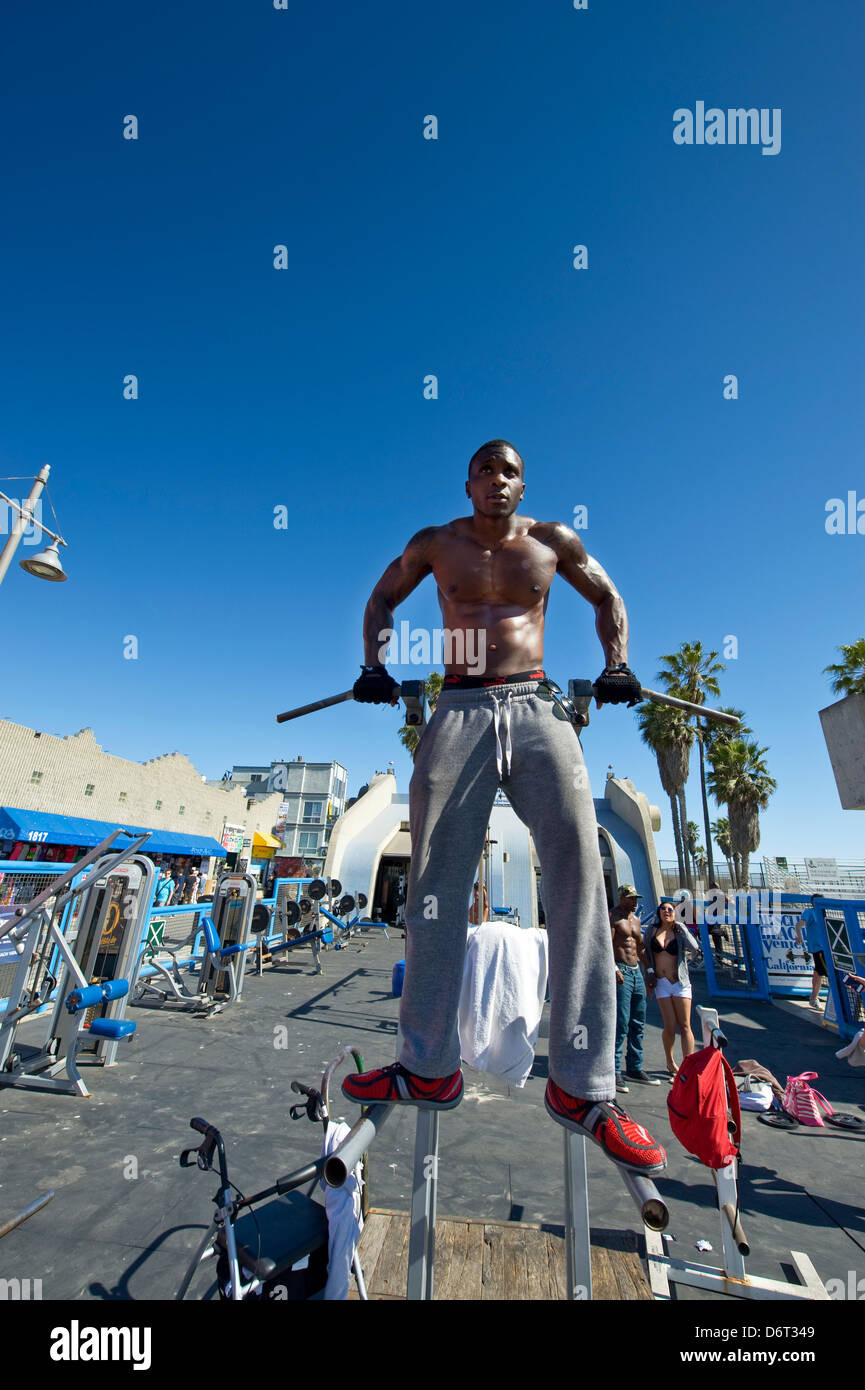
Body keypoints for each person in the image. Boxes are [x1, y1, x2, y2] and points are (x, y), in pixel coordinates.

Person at [340, 439, 666, 1176]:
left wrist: (617, 666)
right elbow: (382, 596)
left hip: (536, 705)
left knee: (581, 873)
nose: (497, 480)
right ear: (467, 482)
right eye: (485, 469)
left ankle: (583, 1089)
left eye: (510, 471)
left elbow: (606, 596)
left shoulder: (553, 542)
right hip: (456, 707)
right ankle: (427, 1065)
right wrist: (372, 667)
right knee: (431, 888)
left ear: (523, 485)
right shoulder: (435, 543)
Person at [610, 885, 660, 1092]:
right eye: (630, 898)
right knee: (621, 1022)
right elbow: (604, 943)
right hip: (620, 970)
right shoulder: (613, 917)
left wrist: (648, 970)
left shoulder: (636, 920)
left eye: (635, 898)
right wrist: (612, 967)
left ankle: (634, 1067)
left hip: (635, 971)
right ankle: (613, 1070)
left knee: (638, 1021)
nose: (634, 901)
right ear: (621, 898)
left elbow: (639, 947)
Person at [645, 902, 701, 1078]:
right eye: (663, 909)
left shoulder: (678, 932)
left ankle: (688, 1064)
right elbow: (645, 953)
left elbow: (694, 948)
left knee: (685, 1025)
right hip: (661, 983)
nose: (666, 912)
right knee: (669, 1025)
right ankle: (670, 1062)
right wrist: (649, 975)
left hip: (679, 983)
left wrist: (682, 928)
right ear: (658, 912)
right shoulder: (651, 931)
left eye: (670, 910)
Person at [794, 900, 829, 1011]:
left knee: (818, 972)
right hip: (819, 948)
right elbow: (799, 924)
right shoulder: (810, 912)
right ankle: (815, 998)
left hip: (826, 948)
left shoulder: (823, 913)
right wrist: (799, 936)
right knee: (822, 972)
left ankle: (814, 998)